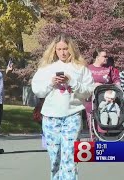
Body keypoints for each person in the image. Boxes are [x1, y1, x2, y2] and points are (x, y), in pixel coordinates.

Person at [31, 34, 94, 180]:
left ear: (71, 49)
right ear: (54, 50)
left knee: (70, 155)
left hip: (72, 115)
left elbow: (88, 91)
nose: (63, 52)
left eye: (65, 49)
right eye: (59, 49)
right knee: (55, 157)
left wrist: (71, 81)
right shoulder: (46, 68)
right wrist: (51, 83)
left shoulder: (80, 68)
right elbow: (37, 90)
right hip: (51, 117)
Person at [84, 49, 120, 135]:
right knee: (93, 125)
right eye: (104, 56)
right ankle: (95, 144)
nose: (106, 58)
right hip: (91, 101)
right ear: (97, 57)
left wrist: (117, 89)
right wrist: (94, 85)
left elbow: (116, 80)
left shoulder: (109, 68)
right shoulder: (88, 69)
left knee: (105, 124)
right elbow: (83, 84)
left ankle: (108, 145)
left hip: (107, 100)